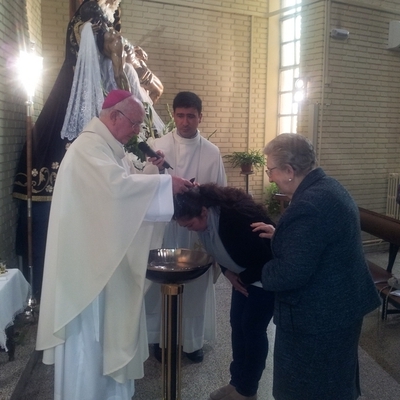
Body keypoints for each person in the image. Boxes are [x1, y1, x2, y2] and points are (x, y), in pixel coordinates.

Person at [35, 90, 193, 400]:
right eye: (134, 123)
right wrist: (164, 185)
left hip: (99, 260)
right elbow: (117, 192)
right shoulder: (87, 150)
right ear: (114, 117)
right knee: (90, 345)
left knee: (106, 337)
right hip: (87, 272)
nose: (137, 131)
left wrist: (153, 173)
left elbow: (121, 191)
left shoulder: (106, 147)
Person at [251, 133, 381, 400]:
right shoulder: (328, 187)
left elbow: (291, 273)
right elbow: (320, 241)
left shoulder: (309, 205)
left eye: (271, 170)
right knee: (336, 380)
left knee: (307, 389)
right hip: (340, 307)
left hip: (319, 317)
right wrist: (282, 234)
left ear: (289, 171)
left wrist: (256, 271)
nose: (269, 177)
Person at [144, 91, 227, 363]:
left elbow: (221, 195)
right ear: (174, 115)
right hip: (165, 228)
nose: (185, 121)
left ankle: (192, 342)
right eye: (180, 115)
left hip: (196, 232)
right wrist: (155, 171)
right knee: (160, 287)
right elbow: (142, 186)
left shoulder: (212, 153)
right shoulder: (157, 146)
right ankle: (160, 339)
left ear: (200, 117)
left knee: (195, 288)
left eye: (191, 116)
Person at [173, 184, 275, 400]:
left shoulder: (234, 220)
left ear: (203, 212)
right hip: (243, 279)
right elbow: (220, 254)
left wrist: (243, 278)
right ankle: (236, 382)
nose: (191, 230)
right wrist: (229, 273)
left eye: (191, 225)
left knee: (253, 331)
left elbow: (268, 258)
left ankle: (248, 390)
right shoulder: (208, 221)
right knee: (237, 327)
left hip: (265, 281)